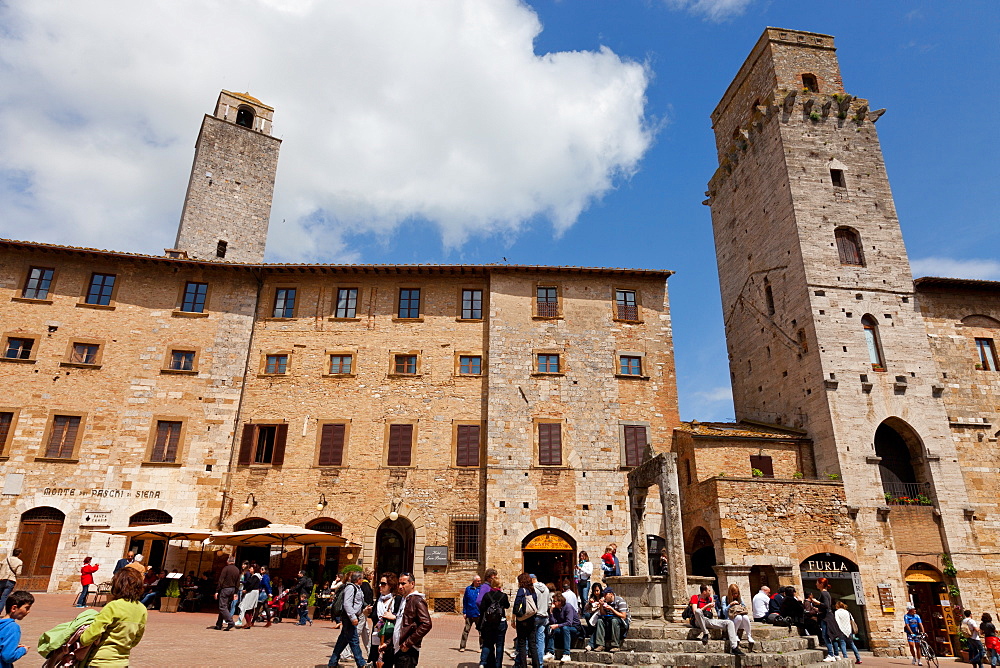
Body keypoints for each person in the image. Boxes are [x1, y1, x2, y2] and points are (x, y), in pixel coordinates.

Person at [79, 567, 147, 666]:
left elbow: (88, 638)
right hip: (122, 662)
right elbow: (135, 640)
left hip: (100, 661)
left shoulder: (113, 606)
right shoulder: (142, 609)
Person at [689, 584, 742, 655]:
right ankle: (705, 633)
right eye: (709, 590)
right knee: (698, 611)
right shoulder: (695, 597)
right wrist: (707, 606)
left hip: (707, 620)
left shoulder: (709, 599)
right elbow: (695, 612)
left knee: (729, 623)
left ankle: (734, 647)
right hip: (698, 621)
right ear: (704, 592)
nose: (711, 592)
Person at [328, 570, 367, 668]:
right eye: (362, 578)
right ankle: (361, 663)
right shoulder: (350, 588)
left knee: (342, 641)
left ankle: (333, 662)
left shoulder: (357, 588)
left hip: (352, 616)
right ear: (358, 579)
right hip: (349, 618)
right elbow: (347, 604)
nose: (363, 580)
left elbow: (358, 602)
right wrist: (353, 617)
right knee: (354, 640)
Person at [393, 572, 431, 668]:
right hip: (399, 648)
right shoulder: (405, 599)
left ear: (412, 584)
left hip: (408, 651)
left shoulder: (417, 600)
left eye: (403, 583)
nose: (400, 587)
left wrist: (409, 642)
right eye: (399, 584)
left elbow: (426, 624)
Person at [370, 572, 402, 667]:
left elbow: (403, 618)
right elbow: (374, 617)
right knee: (375, 663)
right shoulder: (378, 600)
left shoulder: (397, 599)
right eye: (380, 583)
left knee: (388, 663)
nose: (380, 586)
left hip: (390, 638)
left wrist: (394, 617)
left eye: (383, 584)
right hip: (376, 637)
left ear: (390, 585)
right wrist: (368, 612)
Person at [477, 573, 509, 668]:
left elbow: (482, 607)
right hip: (501, 622)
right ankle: (498, 665)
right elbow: (507, 605)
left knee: (488, 643)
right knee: (500, 645)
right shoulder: (503, 596)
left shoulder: (487, 595)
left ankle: (483, 662)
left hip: (489, 622)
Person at [592, 587, 630, 652]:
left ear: (611, 594)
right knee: (600, 621)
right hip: (610, 621)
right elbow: (603, 614)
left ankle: (615, 645)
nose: (604, 597)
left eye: (605, 595)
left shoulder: (620, 601)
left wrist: (612, 609)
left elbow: (623, 616)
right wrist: (601, 606)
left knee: (614, 620)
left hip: (622, 622)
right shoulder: (606, 602)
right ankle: (600, 644)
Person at [0, 590, 32, 668]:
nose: (28, 611)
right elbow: (8, 656)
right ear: (14, 608)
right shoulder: (13, 628)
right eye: (26, 608)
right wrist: (23, 650)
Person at [513, 573, 539, 668]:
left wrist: (517, 614)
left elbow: (516, 604)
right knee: (532, 644)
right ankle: (536, 665)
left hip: (522, 620)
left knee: (522, 643)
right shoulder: (532, 590)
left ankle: (523, 665)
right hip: (531, 619)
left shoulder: (522, 590)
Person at [722, 584, 755, 652]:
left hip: (739, 617)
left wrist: (739, 605)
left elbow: (744, 608)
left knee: (745, 617)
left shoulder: (740, 599)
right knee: (739, 617)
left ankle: (749, 636)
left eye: (737, 593)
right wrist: (730, 605)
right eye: (734, 593)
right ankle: (735, 634)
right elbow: (724, 612)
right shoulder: (724, 598)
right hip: (730, 618)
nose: (735, 595)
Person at [548, 591, 580, 662]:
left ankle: (566, 654)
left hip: (574, 628)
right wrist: (551, 612)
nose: (553, 603)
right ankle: (550, 652)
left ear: (560, 601)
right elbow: (553, 622)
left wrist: (557, 625)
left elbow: (569, 622)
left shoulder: (568, 607)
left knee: (565, 628)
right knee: (550, 628)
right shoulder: (556, 609)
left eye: (554, 601)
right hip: (562, 627)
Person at [213, 556, 240, 631]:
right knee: (225, 607)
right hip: (233, 589)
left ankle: (230, 622)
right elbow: (238, 582)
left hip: (225, 589)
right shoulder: (237, 570)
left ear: (228, 561)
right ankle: (219, 624)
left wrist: (217, 591)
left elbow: (221, 580)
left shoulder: (226, 569)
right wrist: (235, 592)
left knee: (222, 606)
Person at [817, 578, 839, 661]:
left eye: (817, 583)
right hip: (829, 616)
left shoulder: (823, 593)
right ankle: (836, 654)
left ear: (821, 584)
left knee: (826, 635)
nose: (816, 584)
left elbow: (826, 605)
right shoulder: (827, 593)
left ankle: (831, 654)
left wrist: (817, 603)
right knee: (832, 636)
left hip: (826, 617)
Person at [531, 573, 551, 665]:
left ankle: (532, 660)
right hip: (544, 616)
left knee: (531, 639)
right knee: (541, 640)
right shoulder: (546, 588)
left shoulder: (533, 589)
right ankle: (540, 662)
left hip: (536, 616)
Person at [459, 575, 482, 652]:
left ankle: (481, 647)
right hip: (469, 613)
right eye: (478, 581)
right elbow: (465, 601)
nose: (479, 582)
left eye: (480, 581)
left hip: (478, 613)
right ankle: (462, 646)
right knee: (466, 630)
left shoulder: (481, 589)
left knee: (481, 631)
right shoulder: (468, 589)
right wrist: (464, 612)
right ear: (474, 581)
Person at [0, 549, 22, 618]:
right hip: (11, 580)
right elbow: (18, 573)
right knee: (4, 597)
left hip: (2, 579)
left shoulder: (5, 560)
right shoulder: (19, 562)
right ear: (19, 554)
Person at [582, 582, 605, 647]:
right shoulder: (592, 597)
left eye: (597, 590)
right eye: (594, 591)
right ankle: (591, 630)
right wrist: (589, 603)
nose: (596, 592)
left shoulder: (603, 597)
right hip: (593, 613)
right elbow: (586, 609)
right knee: (587, 615)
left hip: (600, 613)